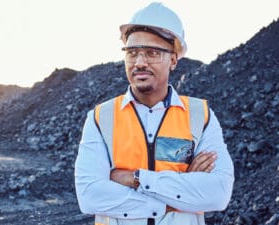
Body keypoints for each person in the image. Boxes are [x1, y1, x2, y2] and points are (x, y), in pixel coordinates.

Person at [74, 2, 234, 225]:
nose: (140, 62)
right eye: (132, 53)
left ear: (173, 59)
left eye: (152, 53)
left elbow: (218, 194)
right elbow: (90, 196)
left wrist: (136, 179)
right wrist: (174, 197)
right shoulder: (101, 118)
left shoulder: (201, 116)